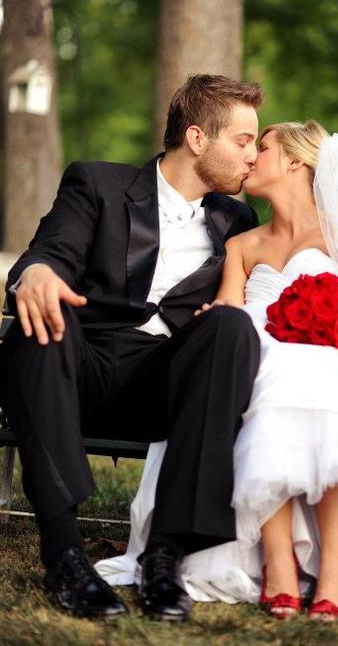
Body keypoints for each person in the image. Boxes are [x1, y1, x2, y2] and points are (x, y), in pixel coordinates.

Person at [96, 120, 338, 617]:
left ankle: (336, 563)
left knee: (323, 382)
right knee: (266, 380)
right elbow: (229, 311)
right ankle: (278, 562)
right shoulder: (242, 246)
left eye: (264, 147)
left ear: (296, 162)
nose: (252, 157)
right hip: (262, 351)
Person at [0, 74, 264, 620]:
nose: (253, 156)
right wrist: (36, 276)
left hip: (162, 382)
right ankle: (66, 554)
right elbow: (48, 252)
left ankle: (164, 558)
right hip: (80, 366)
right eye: (242, 140)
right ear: (196, 138)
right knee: (40, 317)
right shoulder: (98, 184)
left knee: (232, 327)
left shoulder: (236, 219)